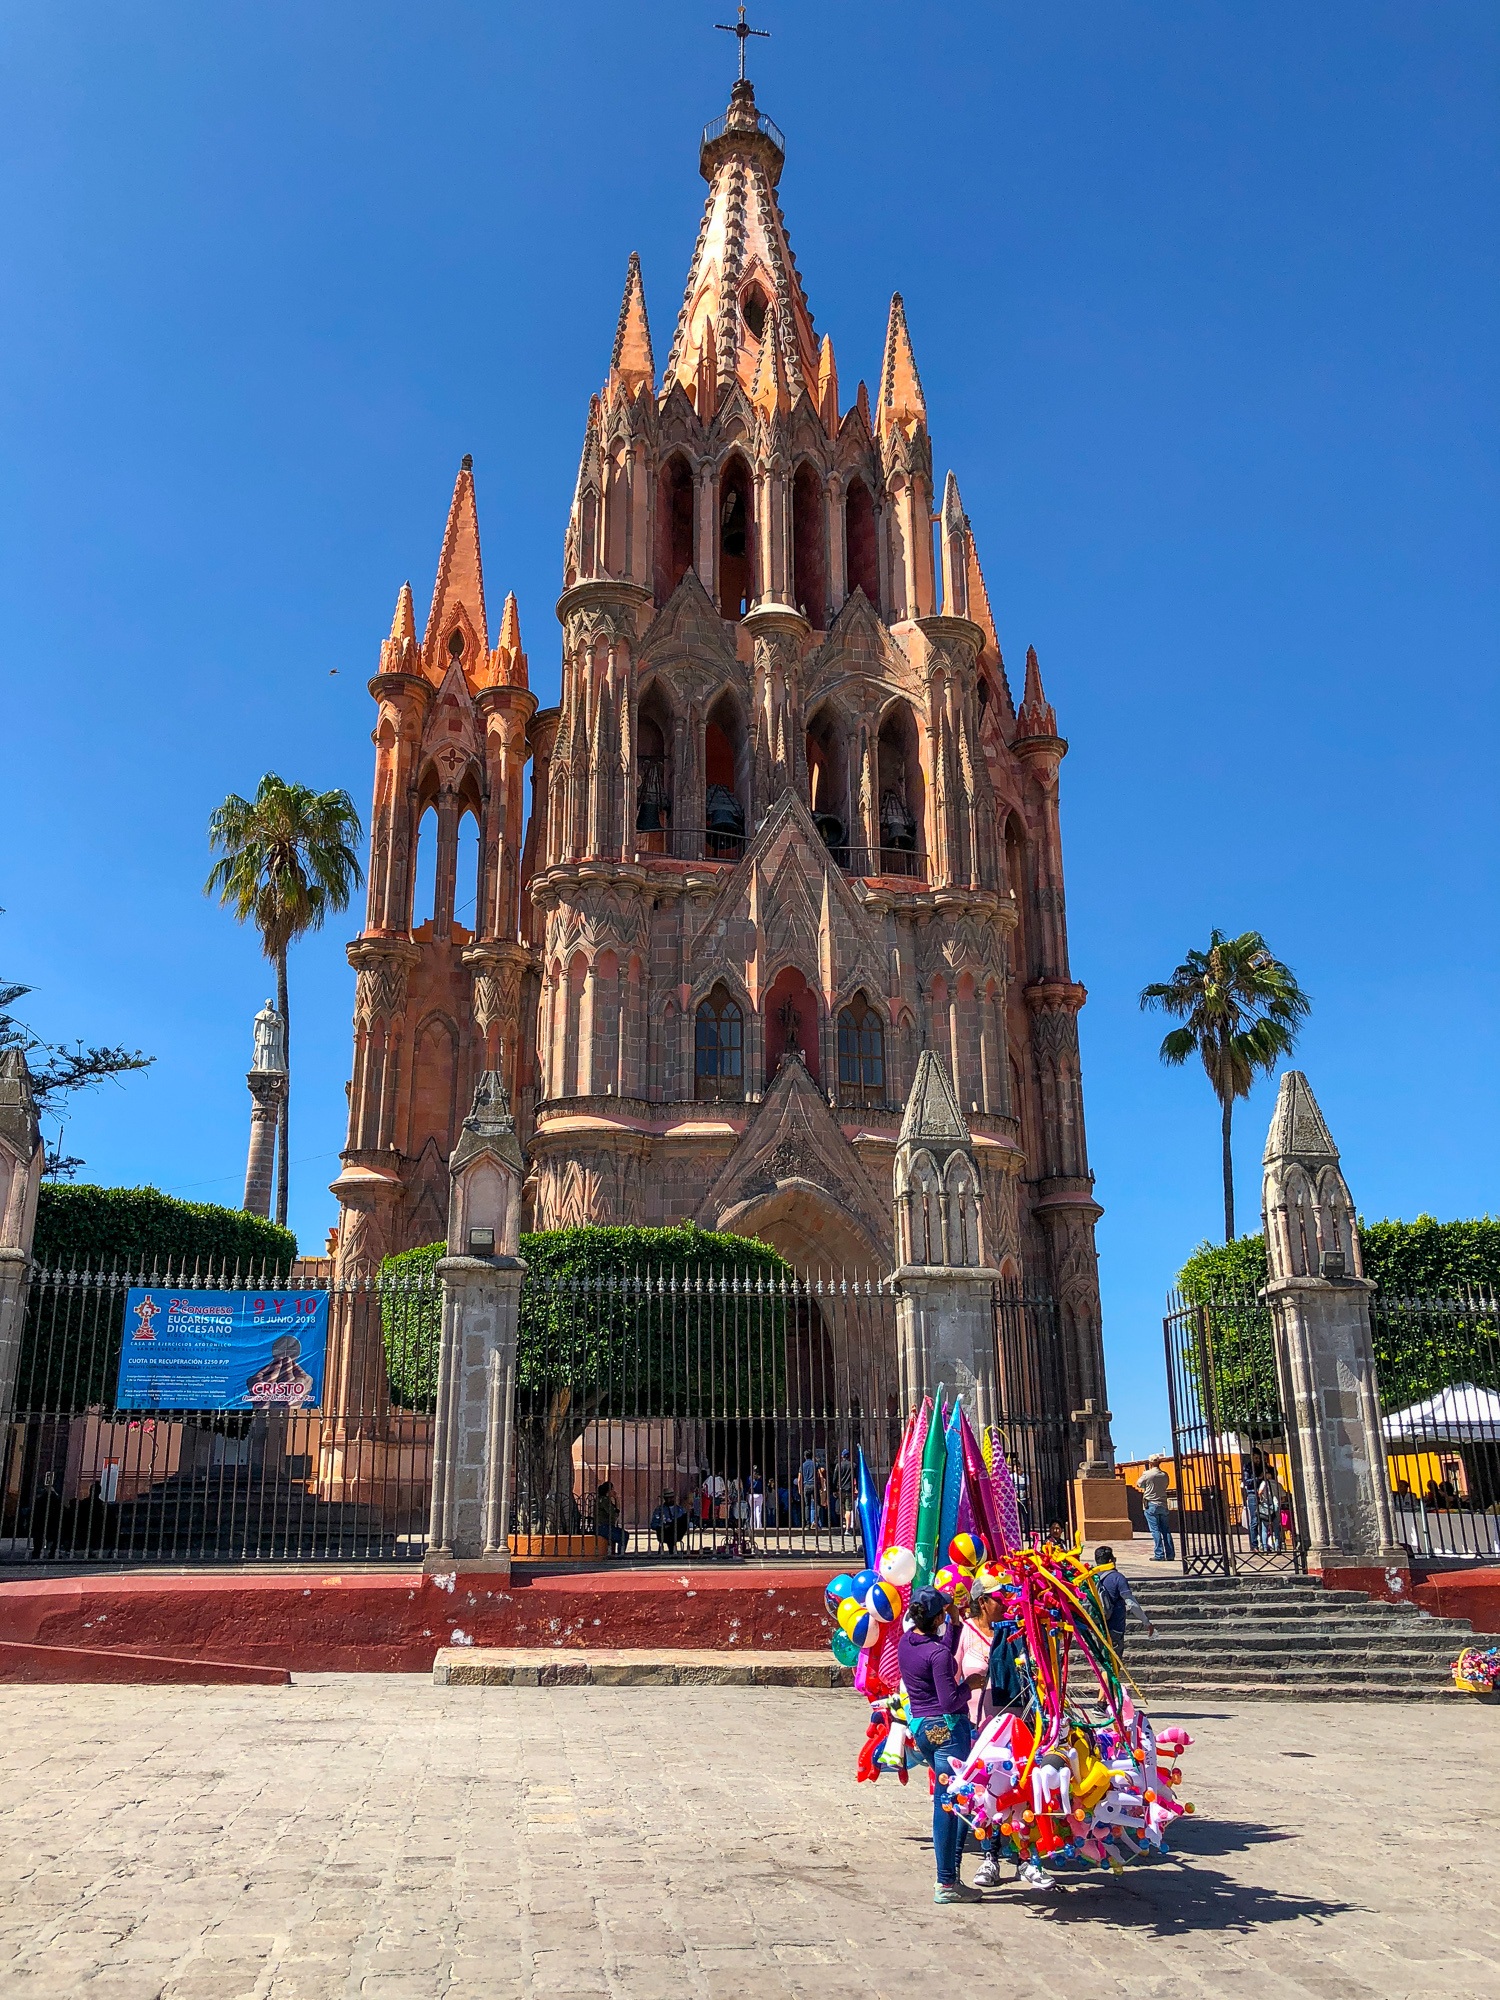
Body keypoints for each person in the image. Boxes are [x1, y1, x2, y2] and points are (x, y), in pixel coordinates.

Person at [897, 1585, 982, 1904]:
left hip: (924, 1731)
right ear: (936, 1618)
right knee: (948, 1804)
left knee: (954, 1800)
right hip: (946, 1731)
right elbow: (949, 1700)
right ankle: (946, 1883)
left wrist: (957, 1624)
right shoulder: (938, 1653)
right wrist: (970, 1685)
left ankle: (952, 1875)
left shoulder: (909, 1642)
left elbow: (941, 1651)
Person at [1093, 1546, 1155, 1669]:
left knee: (1105, 1664)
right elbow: (1131, 1604)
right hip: (1115, 1628)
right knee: (1112, 1666)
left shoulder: (1091, 1578)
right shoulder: (1117, 1577)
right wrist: (1146, 1622)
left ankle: (1107, 1687)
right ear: (1111, 1561)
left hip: (1097, 1628)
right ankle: (1108, 1688)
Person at [1137, 1456, 1174, 1562]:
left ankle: (1159, 1554)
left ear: (1150, 1463)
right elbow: (1166, 1485)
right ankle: (1170, 1554)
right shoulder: (1164, 1474)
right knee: (1166, 1530)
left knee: (1155, 1530)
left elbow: (1138, 1484)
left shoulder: (1147, 1474)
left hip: (1151, 1504)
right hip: (1162, 1503)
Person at [594, 1480, 627, 1558]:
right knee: (623, 1536)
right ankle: (620, 1555)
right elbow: (614, 1514)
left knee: (622, 1534)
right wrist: (617, 1499)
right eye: (612, 1489)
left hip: (604, 1526)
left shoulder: (602, 1499)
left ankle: (617, 1553)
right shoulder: (605, 1501)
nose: (614, 1491)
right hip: (603, 1527)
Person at [746, 1465, 765, 1535]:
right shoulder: (760, 1478)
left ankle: (752, 1526)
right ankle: (759, 1527)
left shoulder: (749, 1478)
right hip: (759, 1495)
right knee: (758, 1511)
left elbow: (747, 1486)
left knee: (752, 1511)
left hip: (751, 1495)